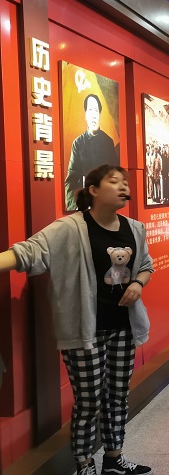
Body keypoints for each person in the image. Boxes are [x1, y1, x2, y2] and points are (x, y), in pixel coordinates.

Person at [0, 165, 154, 475]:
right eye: (114, 181)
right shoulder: (70, 227)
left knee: (118, 396)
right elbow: (29, 252)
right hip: (85, 330)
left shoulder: (134, 228)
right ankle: (84, 463)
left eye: (125, 182)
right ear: (93, 190)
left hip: (124, 327)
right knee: (89, 401)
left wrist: (138, 284)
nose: (123, 186)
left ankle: (114, 459)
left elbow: (145, 265)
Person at [64, 94, 119, 210]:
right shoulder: (78, 143)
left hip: (105, 203)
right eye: (90, 110)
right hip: (85, 204)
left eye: (96, 110)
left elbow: (114, 174)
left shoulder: (108, 141)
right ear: (85, 115)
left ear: (99, 114)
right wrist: (76, 206)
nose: (93, 114)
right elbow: (71, 180)